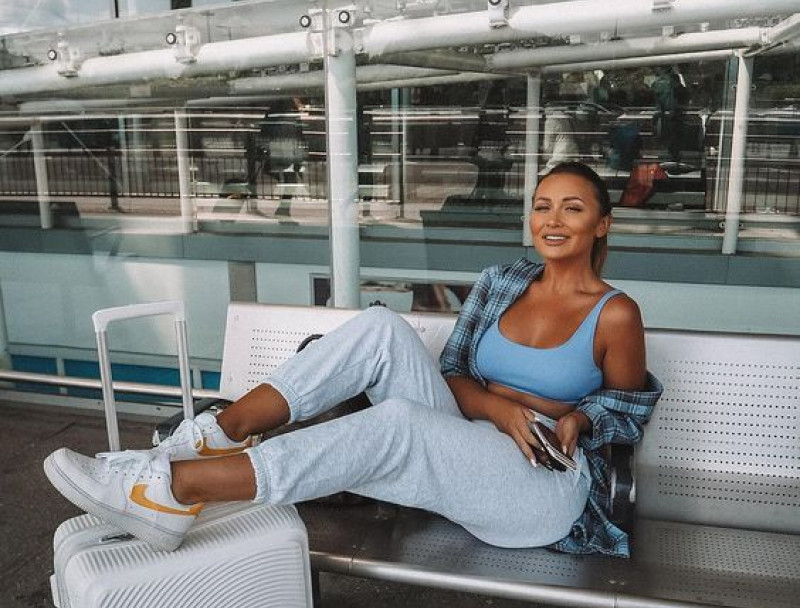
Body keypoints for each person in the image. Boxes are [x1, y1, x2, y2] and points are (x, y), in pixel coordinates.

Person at [44, 163, 662, 558]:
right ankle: (212, 435)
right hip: (469, 437)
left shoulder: (614, 313)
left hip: (538, 486)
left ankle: (176, 490)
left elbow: (623, 411)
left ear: (602, 224)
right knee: (380, 328)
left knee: (399, 424)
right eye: (543, 206)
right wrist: (501, 409)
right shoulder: (501, 281)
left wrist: (578, 421)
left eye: (572, 208)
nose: (552, 220)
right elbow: (453, 375)